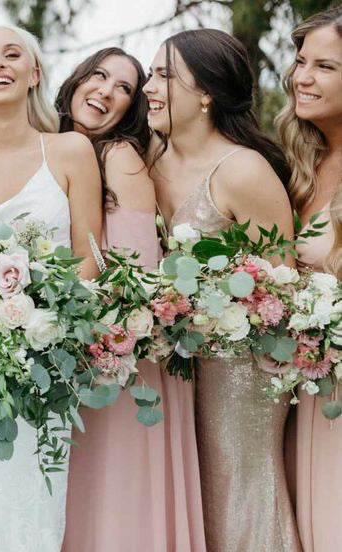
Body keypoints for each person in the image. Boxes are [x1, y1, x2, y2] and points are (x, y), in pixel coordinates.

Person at [0, 25, 102, 552]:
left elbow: (89, 260)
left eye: (12, 55)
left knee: (34, 495)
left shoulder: (70, 150)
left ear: (34, 74)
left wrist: (40, 322)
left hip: (44, 360)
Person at [145, 29, 299, 551]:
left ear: (206, 93)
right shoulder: (145, 163)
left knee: (236, 491)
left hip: (240, 370)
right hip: (167, 366)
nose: (149, 87)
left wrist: (213, 306)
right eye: (150, 74)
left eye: (165, 75)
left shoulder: (243, 171)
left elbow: (283, 290)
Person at [56, 47, 206, 551]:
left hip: (120, 359)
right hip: (67, 356)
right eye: (98, 76)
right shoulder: (51, 148)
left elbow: (136, 273)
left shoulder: (119, 157)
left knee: (114, 498)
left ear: (131, 108)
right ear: (77, 80)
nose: (104, 91)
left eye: (123, 87)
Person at [276, 7, 342, 551]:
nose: (302, 77)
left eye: (325, 66)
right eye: (300, 62)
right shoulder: (299, 163)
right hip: (304, 390)